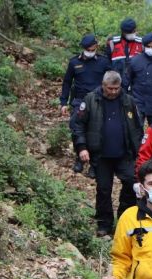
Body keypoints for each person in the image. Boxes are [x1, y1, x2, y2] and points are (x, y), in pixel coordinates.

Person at [73, 71, 143, 236]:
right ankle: (104, 223)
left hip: (125, 154)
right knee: (104, 189)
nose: (113, 92)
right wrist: (82, 147)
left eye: (116, 88)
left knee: (131, 185)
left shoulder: (128, 100)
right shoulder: (91, 99)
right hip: (101, 155)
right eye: (110, 88)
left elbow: (137, 127)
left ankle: (124, 219)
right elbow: (78, 126)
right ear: (103, 85)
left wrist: (139, 149)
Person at [60, 34, 111, 176]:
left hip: (98, 101)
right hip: (79, 101)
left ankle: (95, 164)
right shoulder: (74, 62)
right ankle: (79, 158)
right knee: (77, 128)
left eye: (93, 48)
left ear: (96, 47)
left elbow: (111, 80)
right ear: (83, 48)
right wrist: (63, 102)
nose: (91, 50)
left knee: (96, 131)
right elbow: (67, 83)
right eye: (88, 48)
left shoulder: (103, 62)